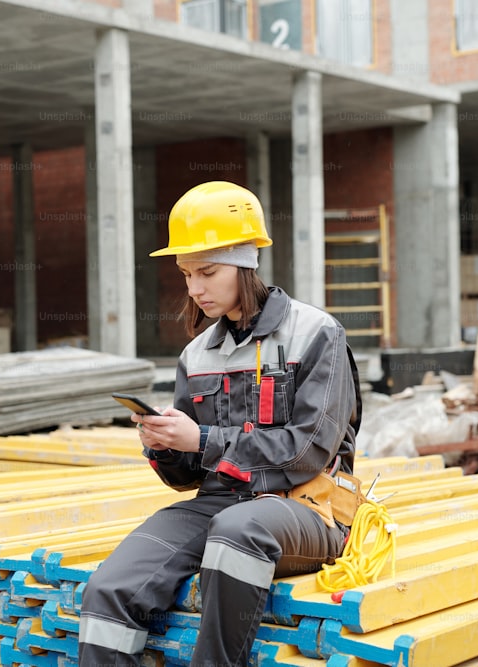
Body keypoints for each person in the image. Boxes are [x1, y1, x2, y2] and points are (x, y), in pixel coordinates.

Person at [78, 181, 362, 666]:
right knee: (109, 588)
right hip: (218, 503)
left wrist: (204, 439)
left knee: (237, 530)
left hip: (310, 508)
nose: (194, 288)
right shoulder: (197, 354)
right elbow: (187, 477)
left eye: (207, 272)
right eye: (186, 274)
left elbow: (307, 451)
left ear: (246, 263)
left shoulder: (317, 334)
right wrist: (166, 445)